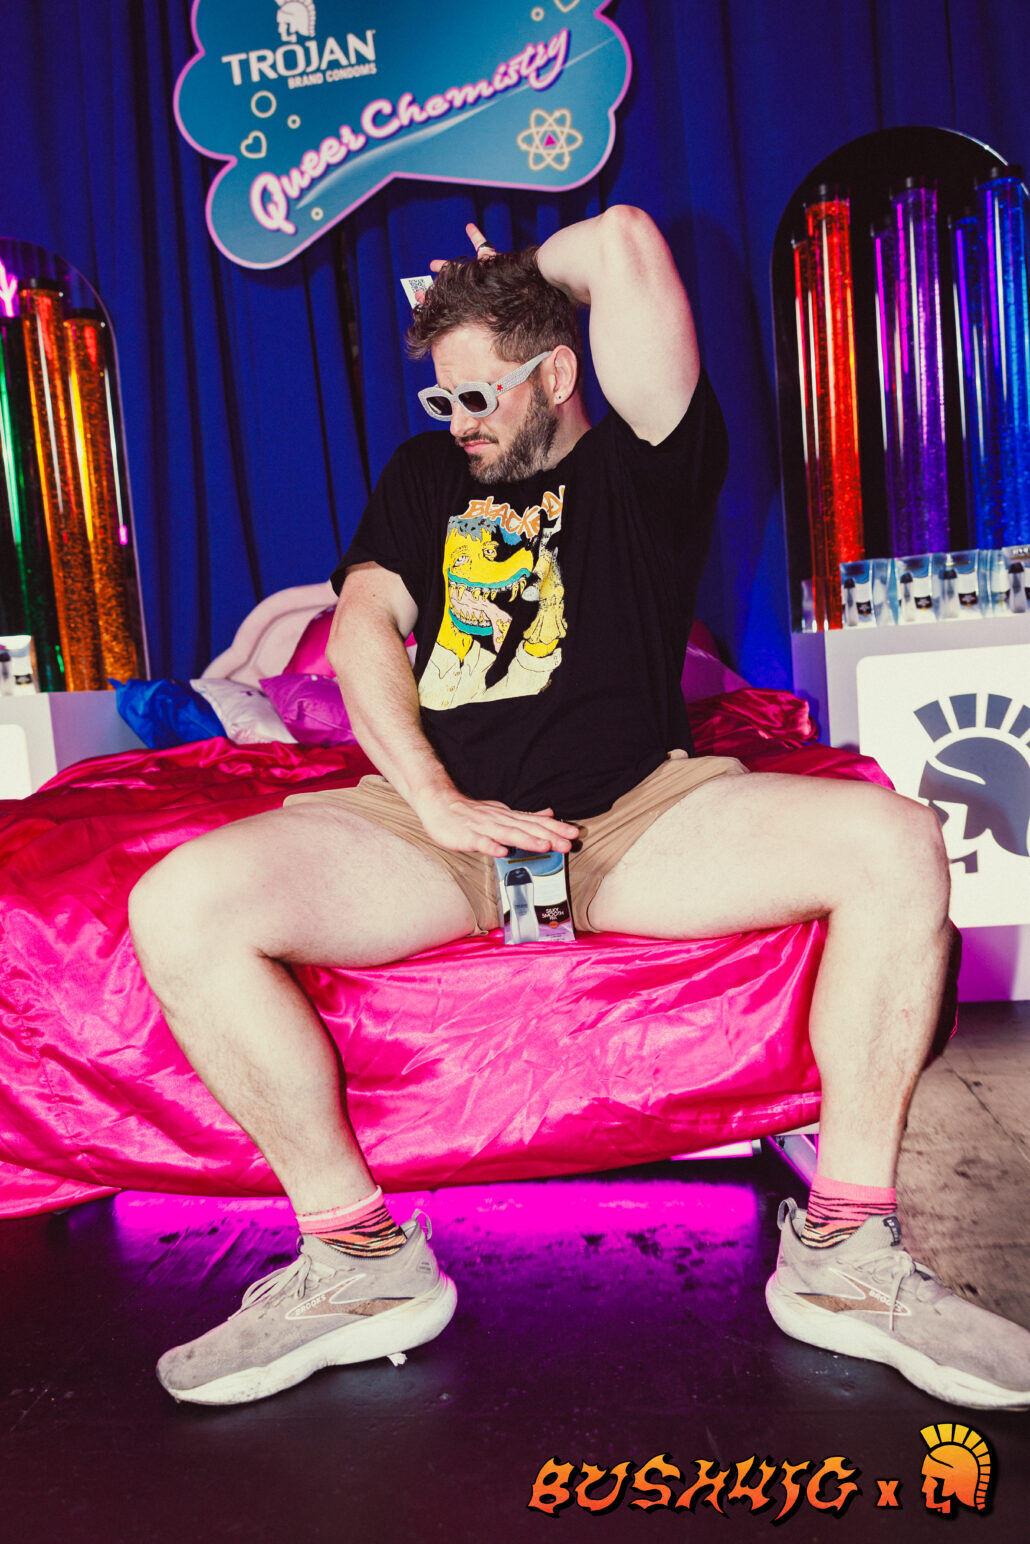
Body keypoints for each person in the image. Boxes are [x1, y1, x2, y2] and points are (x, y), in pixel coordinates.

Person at [129, 208, 1030, 1411]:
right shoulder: (421, 477)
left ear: (556, 372)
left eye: (480, 394)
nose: (458, 422)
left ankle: (847, 1254)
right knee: (179, 900)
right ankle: (355, 1260)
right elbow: (358, 631)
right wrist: (436, 799)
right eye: (440, 400)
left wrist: (507, 276)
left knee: (893, 843)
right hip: (432, 831)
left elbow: (621, 245)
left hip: (638, 816)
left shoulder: (644, 464)